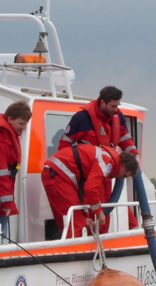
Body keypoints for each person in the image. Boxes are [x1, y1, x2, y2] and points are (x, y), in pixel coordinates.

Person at [58, 86, 141, 231]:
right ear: (102, 102)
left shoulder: (118, 117)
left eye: (118, 105)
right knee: (93, 211)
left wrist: (135, 154)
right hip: (89, 175)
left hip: (108, 173)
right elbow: (64, 146)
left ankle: (111, 242)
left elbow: (125, 139)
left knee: (107, 212)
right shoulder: (81, 119)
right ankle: (93, 247)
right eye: (113, 106)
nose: (116, 109)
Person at [42, 145, 139, 238]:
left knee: (72, 222)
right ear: (124, 165)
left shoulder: (106, 157)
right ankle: (75, 254)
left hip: (55, 174)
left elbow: (84, 189)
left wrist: (86, 215)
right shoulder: (108, 163)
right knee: (75, 224)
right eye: (124, 176)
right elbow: (91, 188)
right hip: (58, 176)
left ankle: (71, 251)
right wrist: (99, 212)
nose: (121, 179)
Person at [0, 101, 32, 242]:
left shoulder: (7, 133)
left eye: (25, 124)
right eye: (21, 123)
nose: (24, 127)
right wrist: (6, 202)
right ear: (10, 119)